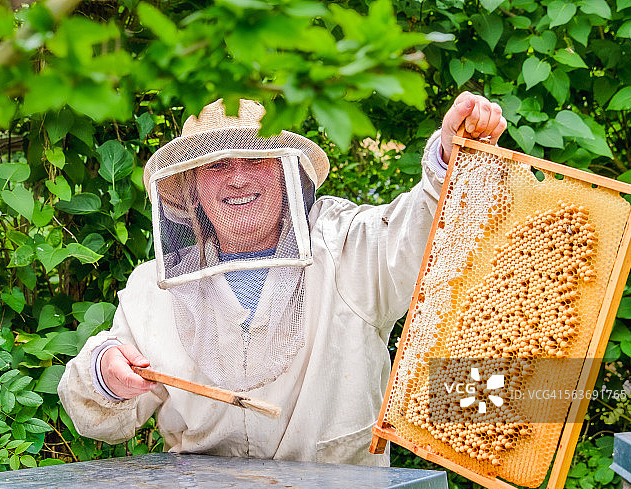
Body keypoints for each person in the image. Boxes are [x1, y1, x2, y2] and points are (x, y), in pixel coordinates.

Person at [58, 92, 506, 465]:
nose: (237, 177)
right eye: (216, 164)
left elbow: (419, 233)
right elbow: (97, 414)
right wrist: (107, 372)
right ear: (191, 185)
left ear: (287, 170)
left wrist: (452, 159)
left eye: (256, 158)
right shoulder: (154, 286)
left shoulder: (347, 245)